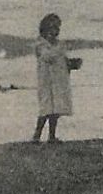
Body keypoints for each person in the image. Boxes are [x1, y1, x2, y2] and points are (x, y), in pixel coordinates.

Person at [33, 13, 81, 143]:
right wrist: (59, 49)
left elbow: (62, 60)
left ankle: (52, 136)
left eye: (57, 28)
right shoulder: (41, 44)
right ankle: (36, 136)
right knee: (46, 108)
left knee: (56, 109)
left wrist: (71, 64)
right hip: (47, 81)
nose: (56, 31)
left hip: (58, 80)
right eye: (53, 28)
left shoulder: (58, 44)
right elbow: (48, 57)